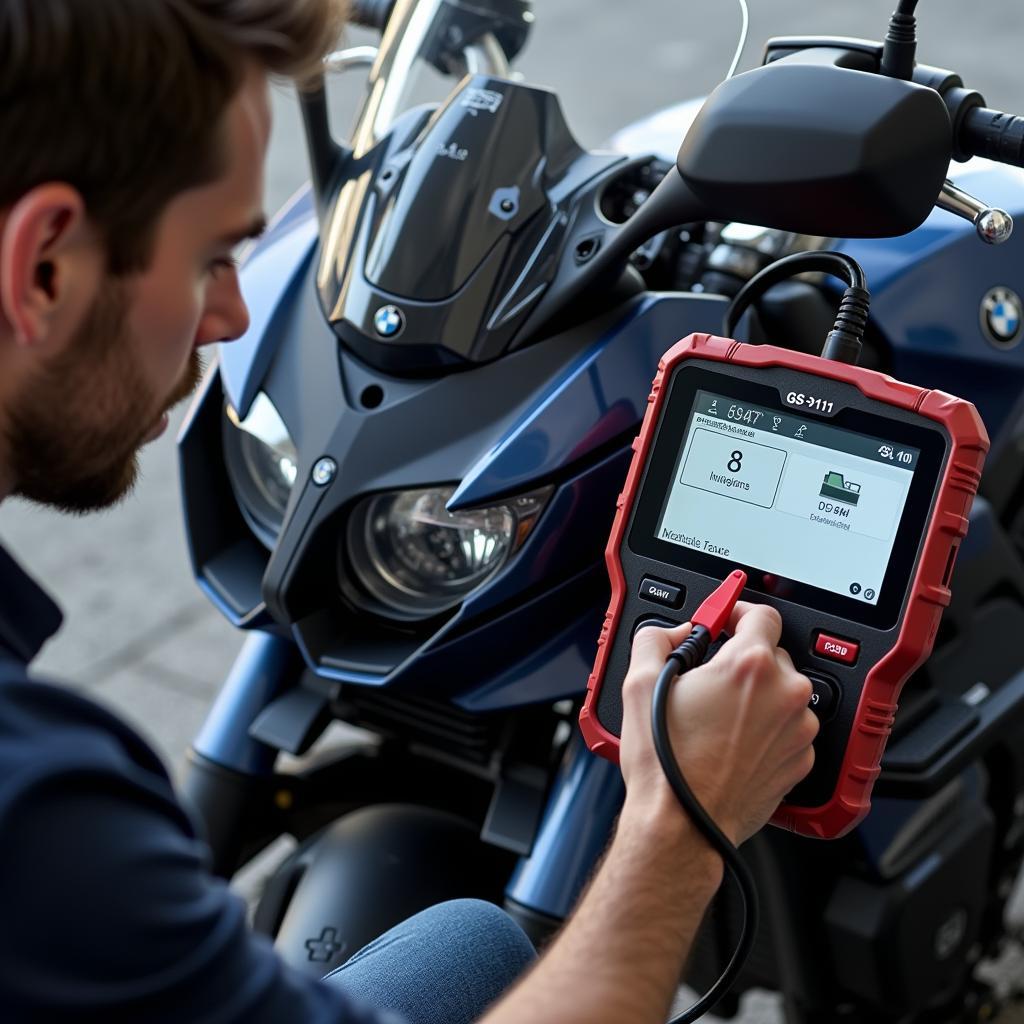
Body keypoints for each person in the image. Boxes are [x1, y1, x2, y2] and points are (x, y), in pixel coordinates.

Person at [0, 2, 819, 1021]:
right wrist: (682, 823)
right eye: (212, 257)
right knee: (480, 944)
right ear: (43, 267)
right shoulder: (43, 808)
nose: (231, 315)